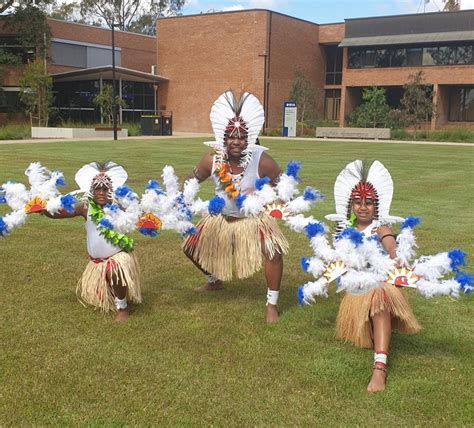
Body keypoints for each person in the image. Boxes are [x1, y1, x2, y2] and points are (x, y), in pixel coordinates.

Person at [183, 91, 289, 323]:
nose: (236, 141)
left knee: (273, 251)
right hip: (221, 218)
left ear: (249, 138)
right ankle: (214, 280)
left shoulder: (262, 160)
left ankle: (271, 304)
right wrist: (184, 197)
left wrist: (277, 201)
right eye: (231, 135)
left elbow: (284, 185)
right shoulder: (211, 159)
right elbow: (192, 179)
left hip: (254, 219)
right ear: (223, 136)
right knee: (190, 247)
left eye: (241, 136)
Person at [328, 160, 421, 393]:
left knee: (380, 298)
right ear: (350, 205)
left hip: (380, 288)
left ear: (377, 206)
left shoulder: (381, 228)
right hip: (356, 293)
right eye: (357, 202)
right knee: (372, 315)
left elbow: (392, 247)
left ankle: (379, 368)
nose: (362, 207)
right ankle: (372, 331)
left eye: (369, 203)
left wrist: (396, 258)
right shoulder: (343, 233)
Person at [42, 161, 141, 322]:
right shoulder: (85, 208)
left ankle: (122, 307)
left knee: (114, 269)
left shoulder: (119, 208)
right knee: (101, 294)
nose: (101, 192)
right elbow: (62, 212)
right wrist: (46, 211)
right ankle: (112, 293)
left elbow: (137, 217)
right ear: (91, 191)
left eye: (105, 188)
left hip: (117, 258)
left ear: (112, 190)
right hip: (96, 262)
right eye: (98, 188)